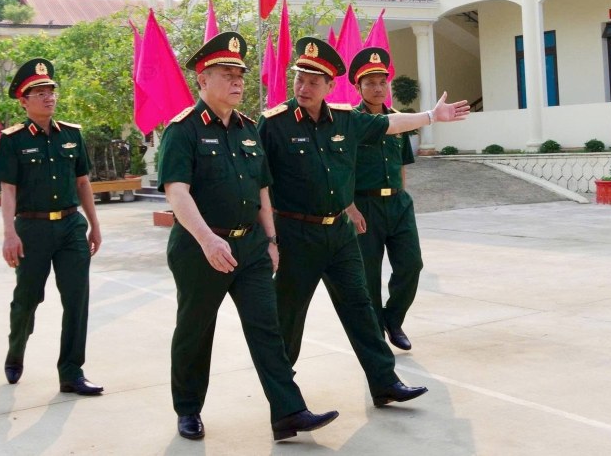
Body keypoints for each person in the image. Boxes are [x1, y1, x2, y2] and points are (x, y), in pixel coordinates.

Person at [258, 36, 469, 407]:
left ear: (329, 85)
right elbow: (257, 181)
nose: (304, 87)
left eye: (313, 81)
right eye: (299, 79)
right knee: (287, 320)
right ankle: (283, 401)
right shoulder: (272, 124)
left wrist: (432, 116)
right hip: (296, 235)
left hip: (338, 235)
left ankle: (384, 382)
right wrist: (268, 239)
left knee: (362, 311)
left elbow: (388, 123)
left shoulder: (345, 120)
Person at [157, 31, 338, 442]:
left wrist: (271, 241)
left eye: (240, 73)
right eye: (226, 73)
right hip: (201, 248)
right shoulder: (183, 130)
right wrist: (206, 239)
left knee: (267, 329)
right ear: (202, 80)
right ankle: (188, 409)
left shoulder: (247, 128)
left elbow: (261, 189)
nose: (238, 81)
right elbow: (177, 191)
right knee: (195, 330)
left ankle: (288, 413)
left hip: (251, 246)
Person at [0, 58, 104, 395]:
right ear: (24, 101)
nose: (48, 97)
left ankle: (71, 371)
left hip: (71, 226)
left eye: (51, 91)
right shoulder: (12, 140)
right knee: (26, 299)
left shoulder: (72, 135)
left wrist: (94, 225)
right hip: (32, 229)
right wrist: (9, 234)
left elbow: (83, 182)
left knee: (77, 299)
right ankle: (16, 349)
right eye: (39, 93)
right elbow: (8, 190)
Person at [344, 47, 422, 351]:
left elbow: (401, 164)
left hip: (398, 204)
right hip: (365, 206)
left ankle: (394, 319)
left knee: (411, 265)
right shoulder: (351, 122)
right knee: (369, 274)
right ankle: (376, 333)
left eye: (382, 82)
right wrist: (349, 207)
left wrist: (401, 196)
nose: (378, 88)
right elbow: (342, 170)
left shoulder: (398, 121)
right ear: (358, 87)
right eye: (371, 83)